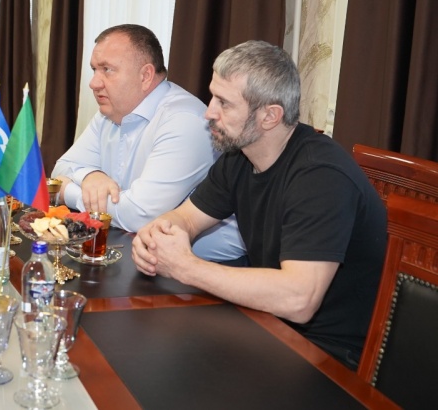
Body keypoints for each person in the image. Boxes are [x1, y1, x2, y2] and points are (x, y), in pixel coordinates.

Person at [132, 40, 387, 369]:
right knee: (151, 348)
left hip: (330, 356)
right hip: (270, 324)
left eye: (224, 103)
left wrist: (185, 267)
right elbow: (188, 218)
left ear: (269, 116)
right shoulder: (240, 155)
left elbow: (299, 300)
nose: (209, 113)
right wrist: (158, 234)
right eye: (213, 97)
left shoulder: (320, 176)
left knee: (170, 363)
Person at [51, 24, 245, 263]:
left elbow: (138, 215)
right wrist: (91, 175)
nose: (93, 83)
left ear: (145, 76)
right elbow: (60, 170)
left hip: (205, 269)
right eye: (94, 70)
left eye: (107, 70)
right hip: (130, 248)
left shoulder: (184, 119)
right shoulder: (108, 113)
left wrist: (69, 193)